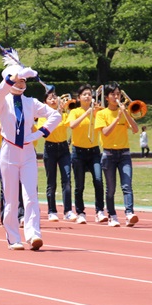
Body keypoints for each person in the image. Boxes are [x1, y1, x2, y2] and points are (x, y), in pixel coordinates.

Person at [0, 60, 61, 250]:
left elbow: (56, 116)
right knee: (11, 197)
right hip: (9, 152)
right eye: (19, 80)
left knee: (31, 195)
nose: (22, 83)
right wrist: (15, 75)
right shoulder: (2, 101)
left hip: (28, 152)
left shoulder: (32, 102)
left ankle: (33, 234)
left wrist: (40, 133)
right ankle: (13, 237)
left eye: (24, 81)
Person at [96, 84, 140, 227]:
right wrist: (117, 118)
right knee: (111, 188)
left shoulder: (124, 112)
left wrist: (125, 114)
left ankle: (129, 213)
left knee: (127, 185)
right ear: (107, 97)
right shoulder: (102, 114)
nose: (116, 97)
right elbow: (105, 132)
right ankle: (112, 215)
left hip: (124, 154)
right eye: (113, 94)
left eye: (118, 94)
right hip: (108, 154)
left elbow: (135, 129)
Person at [67, 84, 107, 224]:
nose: (87, 96)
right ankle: (80, 212)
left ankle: (100, 211)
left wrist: (95, 110)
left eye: (89, 94)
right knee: (79, 185)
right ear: (79, 98)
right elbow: (72, 125)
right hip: (78, 152)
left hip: (94, 151)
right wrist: (87, 112)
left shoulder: (97, 112)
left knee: (98, 180)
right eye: (84, 94)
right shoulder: (75, 111)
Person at [38, 88, 73, 222]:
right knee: (51, 182)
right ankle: (52, 211)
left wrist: (64, 110)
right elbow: (45, 132)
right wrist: (57, 113)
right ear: (45, 102)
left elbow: (71, 124)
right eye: (50, 98)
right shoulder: (43, 117)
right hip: (50, 148)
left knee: (67, 180)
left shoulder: (64, 114)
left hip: (64, 147)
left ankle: (68, 210)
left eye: (55, 97)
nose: (53, 100)